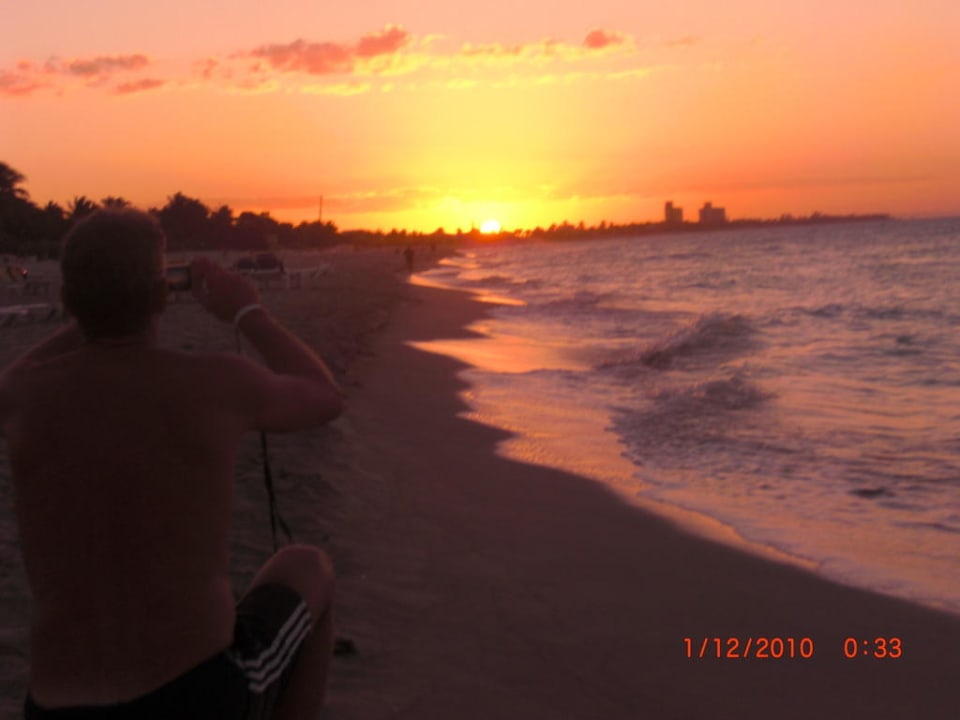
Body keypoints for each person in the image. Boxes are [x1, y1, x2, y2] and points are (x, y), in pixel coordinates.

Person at [0, 209, 343, 718]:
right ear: (164, 295)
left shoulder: (20, 396)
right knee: (307, 565)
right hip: (192, 693)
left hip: (54, 705)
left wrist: (92, 319)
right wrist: (248, 313)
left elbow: (22, 369)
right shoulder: (217, 383)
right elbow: (324, 396)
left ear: (68, 300)